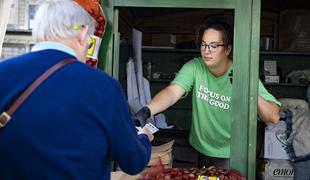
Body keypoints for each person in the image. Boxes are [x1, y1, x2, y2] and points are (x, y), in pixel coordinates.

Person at [0, 1, 153, 179]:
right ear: (81, 33)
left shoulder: (3, 74)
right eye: (89, 37)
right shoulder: (103, 86)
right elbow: (133, 161)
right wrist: (144, 138)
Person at [134, 22, 280, 168]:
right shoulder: (195, 66)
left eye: (214, 46)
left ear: (227, 49)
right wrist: (147, 110)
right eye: (204, 45)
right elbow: (172, 92)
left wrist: (246, 86)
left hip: (230, 152)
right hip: (199, 148)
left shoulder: (241, 71)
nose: (206, 51)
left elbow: (273, 116)